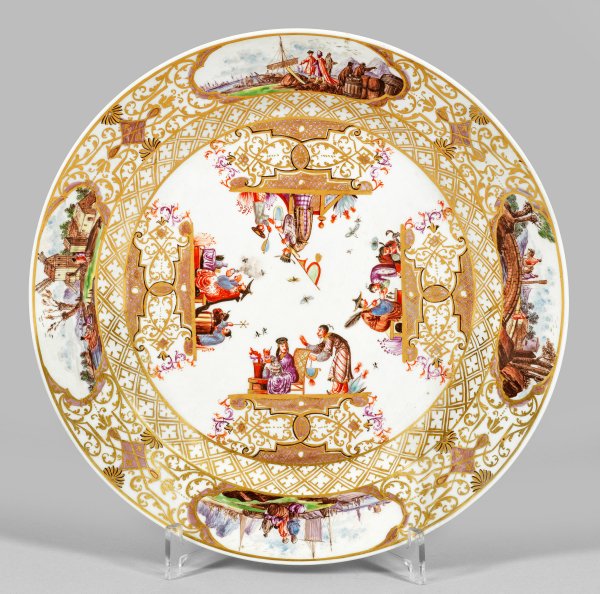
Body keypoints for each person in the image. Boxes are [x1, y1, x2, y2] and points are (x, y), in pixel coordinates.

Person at [300, 325, 353, 393]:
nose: (317, 332)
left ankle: (339, 390)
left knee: (339, 369)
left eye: (320, 330)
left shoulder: (329, 337)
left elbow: (327, 352)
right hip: (341, 350)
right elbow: (319, 348)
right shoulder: (326, 338)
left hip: (343, 350)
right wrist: (306, 344)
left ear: (325, 331)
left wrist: (317, 358)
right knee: (338, 368)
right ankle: (341, 389)